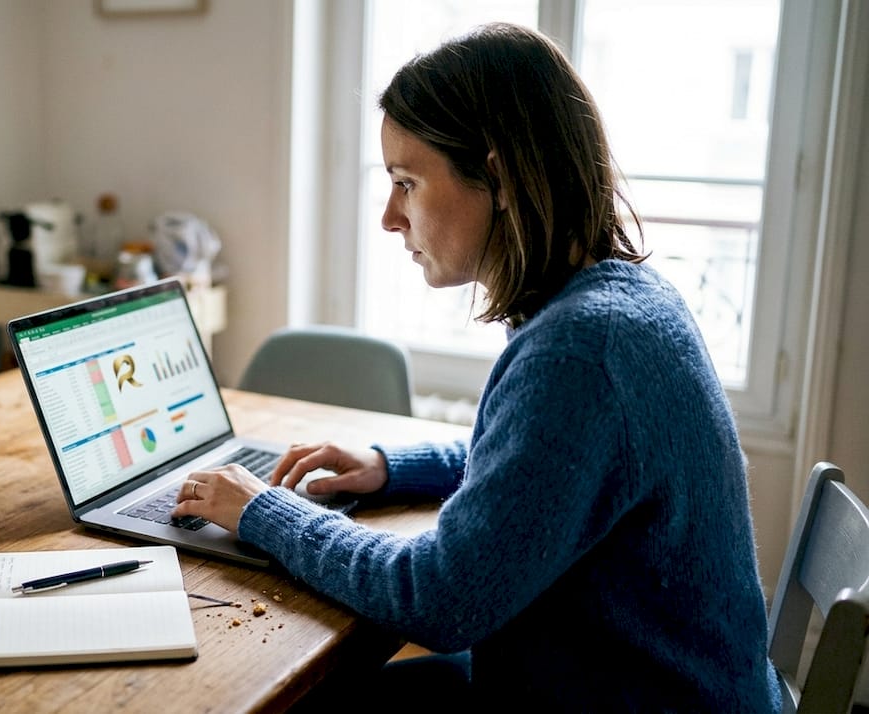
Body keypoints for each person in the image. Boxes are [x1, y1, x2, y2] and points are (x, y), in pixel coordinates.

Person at [172, 22, 781, 711]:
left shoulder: (580, 353)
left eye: (407, 182)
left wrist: (265, 512)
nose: (388, 217)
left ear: (497, 175)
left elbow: (436, 599)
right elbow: (542, 469)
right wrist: (392, 466)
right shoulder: (623, 302)